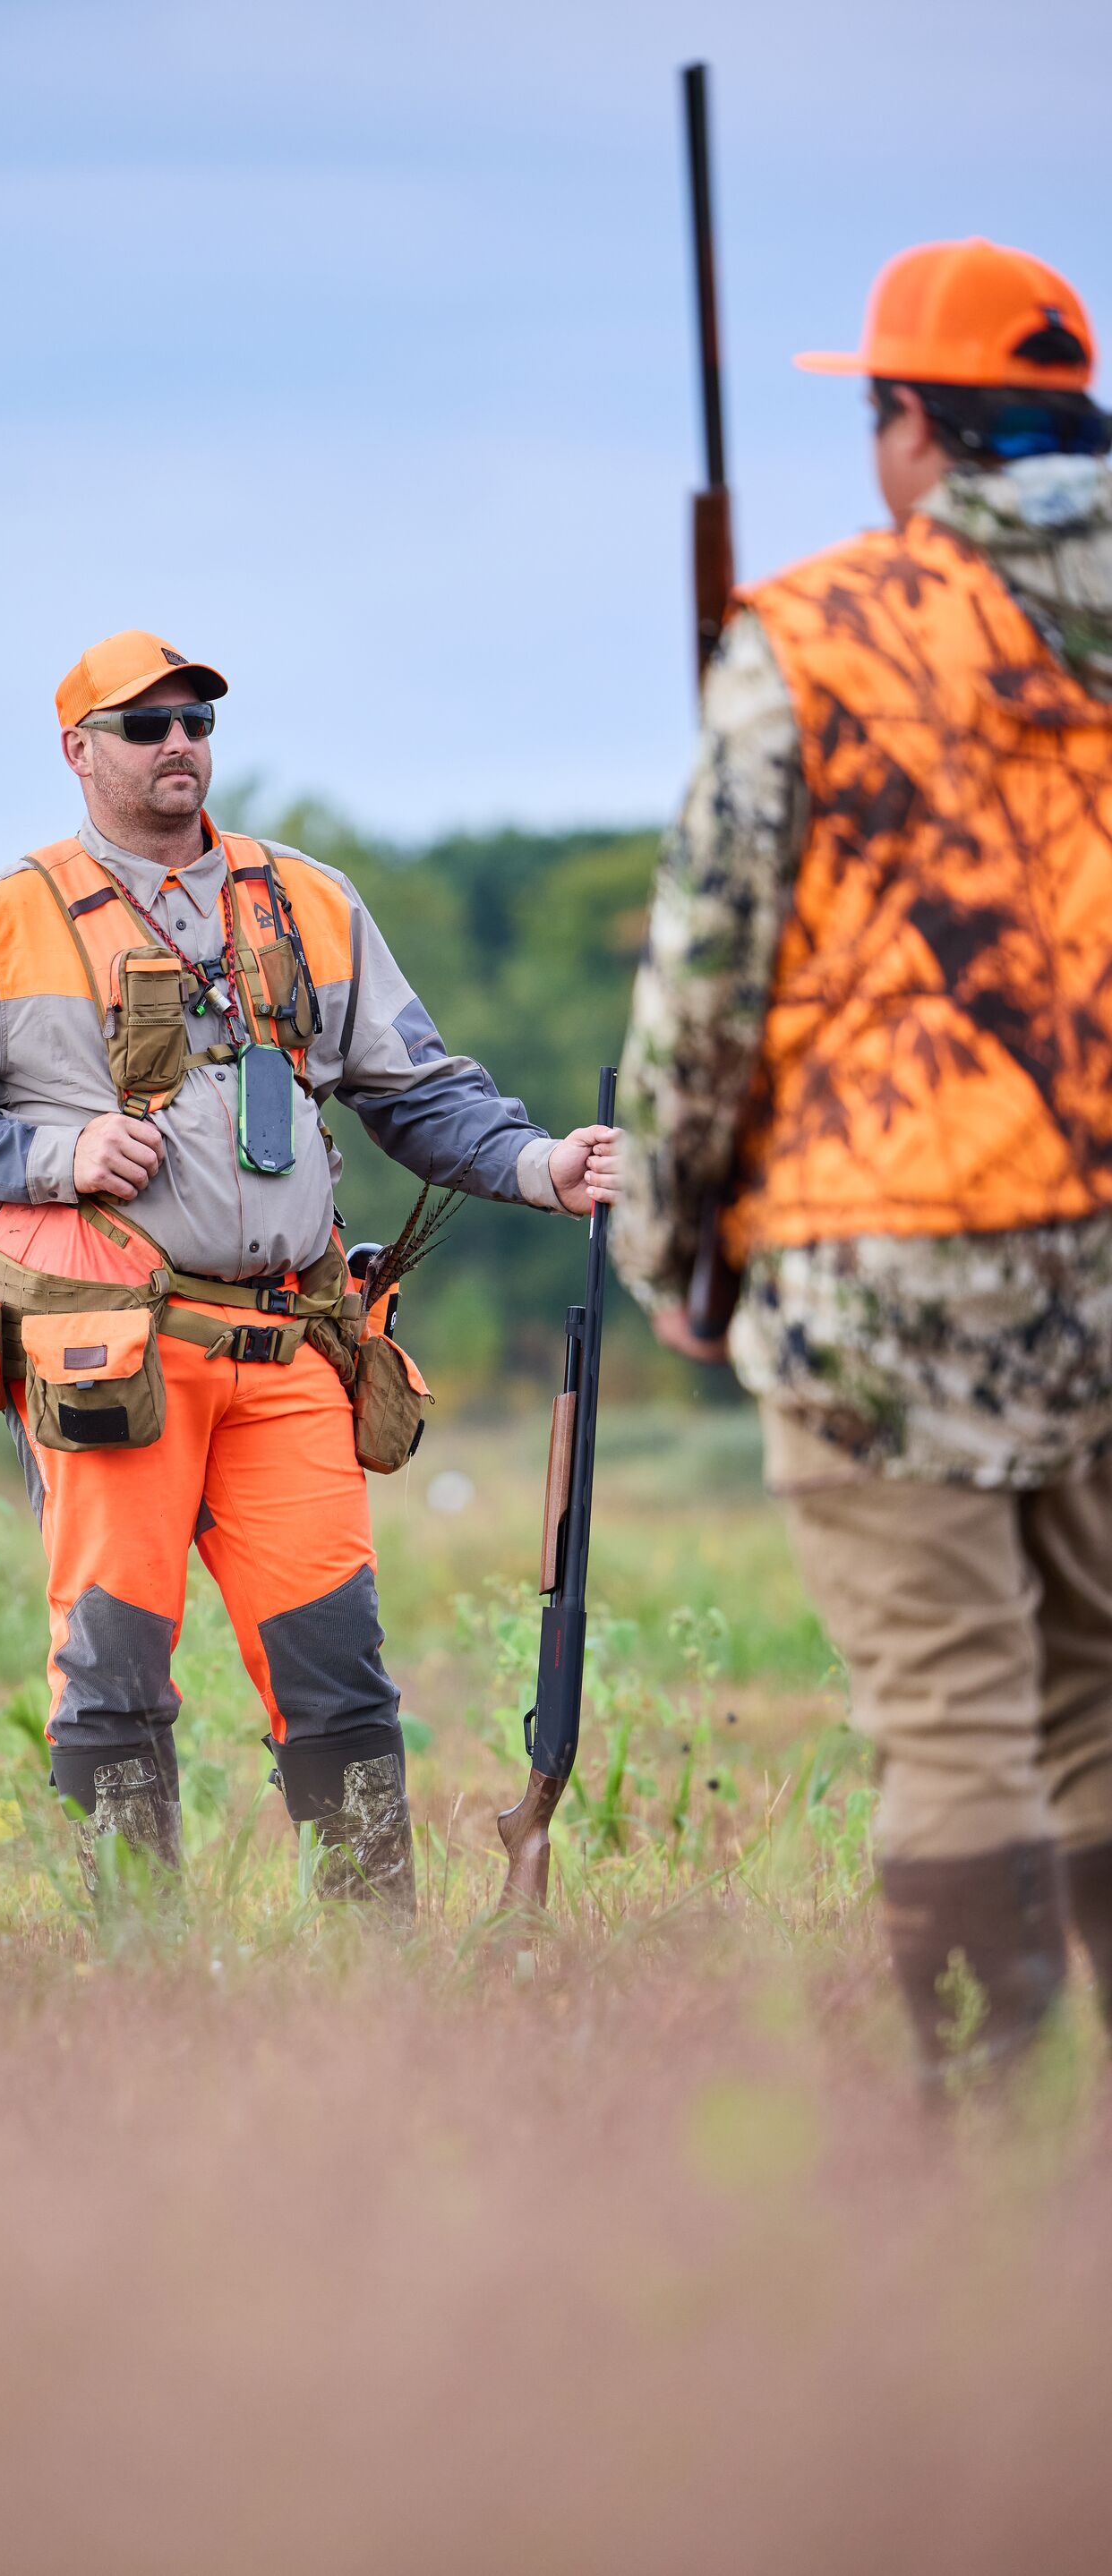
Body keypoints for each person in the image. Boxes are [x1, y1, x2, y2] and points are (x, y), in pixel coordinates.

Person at [0, 627, 619, 1917]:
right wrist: (54, 1152)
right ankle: (139, 1966)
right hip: (116, 1360)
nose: (178, 747)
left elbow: (419, 1093)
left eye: (197, 722)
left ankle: (374, 1963)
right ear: (77, 750)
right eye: (145, 726)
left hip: (292, 1347)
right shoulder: (2, 917)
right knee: (114, 1675)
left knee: (340, 1674)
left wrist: (547, 1165)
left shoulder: (308, 900)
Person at [613, 240, 1112, 2083]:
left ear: (916, 422)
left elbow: (710, 970)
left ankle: (993, 2171)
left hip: (880, 1249)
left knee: (955, 1713)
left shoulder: (817, 629)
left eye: (878, 412)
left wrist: (672, 1241)